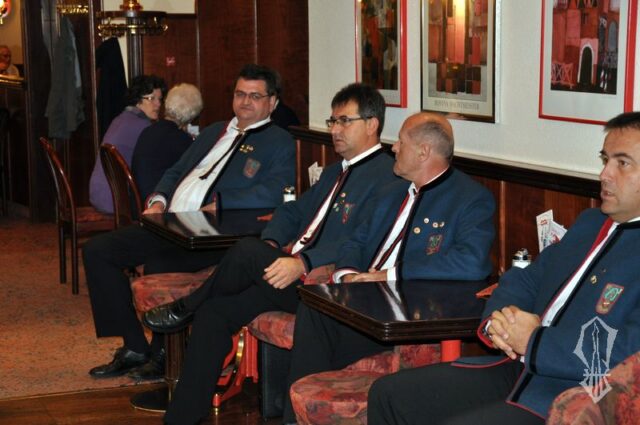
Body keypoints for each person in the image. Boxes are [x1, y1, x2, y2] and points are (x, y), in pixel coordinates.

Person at [143, 82, 402, 425]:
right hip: (288, 276)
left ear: (372, 124)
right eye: (333, 121)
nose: (335, 130)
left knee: (245, 251)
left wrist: (302, 262)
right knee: (216, 312)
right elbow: (292, 211)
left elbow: (362, 242)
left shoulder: (388, 177)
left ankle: (185, 307)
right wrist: (272, 243)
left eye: (344, 121)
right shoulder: (334, 171)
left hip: (323, 289)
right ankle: (181, 418)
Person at [367, 111, 640, 425]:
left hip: (571, 398)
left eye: (622, 163)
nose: (605, 174)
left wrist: (534, 340)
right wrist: (501, 323)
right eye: (605, 160)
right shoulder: (590, 223)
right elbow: (523, 280)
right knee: (389, 394)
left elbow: (627, 354)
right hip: (516, 369)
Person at [83, 64, 296, 381]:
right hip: (170, 222)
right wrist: (159, 199)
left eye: (255, 96)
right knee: (98, 251)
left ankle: (163, 357)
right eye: (240, 94)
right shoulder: (215, 131)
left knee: (159, 264)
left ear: (273, 102)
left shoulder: (279, 141)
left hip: (212, 234)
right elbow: (175, 170)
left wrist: (224, 202)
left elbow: (278, 188)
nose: (245, 102)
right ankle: (134, 346)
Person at [282, 112, 496, 423]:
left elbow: (472, 262)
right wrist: (346, 275)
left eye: (400, 142)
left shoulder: (470, 198)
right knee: (314, 308)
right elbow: (355, 241)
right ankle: (295, 418)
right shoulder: (391, 189)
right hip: (361, 299)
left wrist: (389, 275)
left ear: (423, 151)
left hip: (403, 311)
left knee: (318, 339)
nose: (393, 148)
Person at [89, 74, 167, 214]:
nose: (158, 104)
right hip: (115, 201)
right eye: (151, 98)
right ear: (137, 100)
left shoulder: (120, 119)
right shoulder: (144, 127)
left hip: (99, 195)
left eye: (160, 99)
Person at [132, 83, 203, 201]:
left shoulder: (148, 130)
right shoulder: (180, 139)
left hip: (139, 198)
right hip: (157, 201)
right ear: (192, 116)